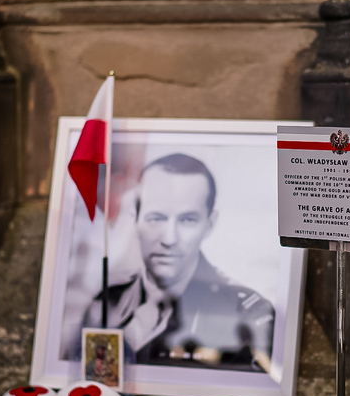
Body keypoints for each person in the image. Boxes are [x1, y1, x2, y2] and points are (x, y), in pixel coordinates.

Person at [80, 153, 275, 372]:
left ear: (209, 224)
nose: (169, 239)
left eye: (187, 220)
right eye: (156, 218)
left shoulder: (246, 315)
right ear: (136, 218)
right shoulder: (105, 305)